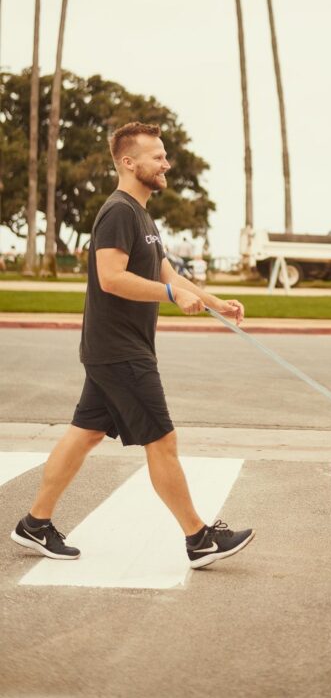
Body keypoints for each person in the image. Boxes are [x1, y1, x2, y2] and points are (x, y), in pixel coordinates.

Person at [10, 121, 254, 569]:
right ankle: (198, 539)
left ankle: (35, 523)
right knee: (162, 440)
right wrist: (169, 296)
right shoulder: (118, 212)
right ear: (129, 162)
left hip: (116, 347)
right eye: (157, 156)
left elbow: (166, 272)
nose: (166, 163)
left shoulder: (141, 213)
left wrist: (215, 302)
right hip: (120, 350)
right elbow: (112, 278)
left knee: (84, 434)